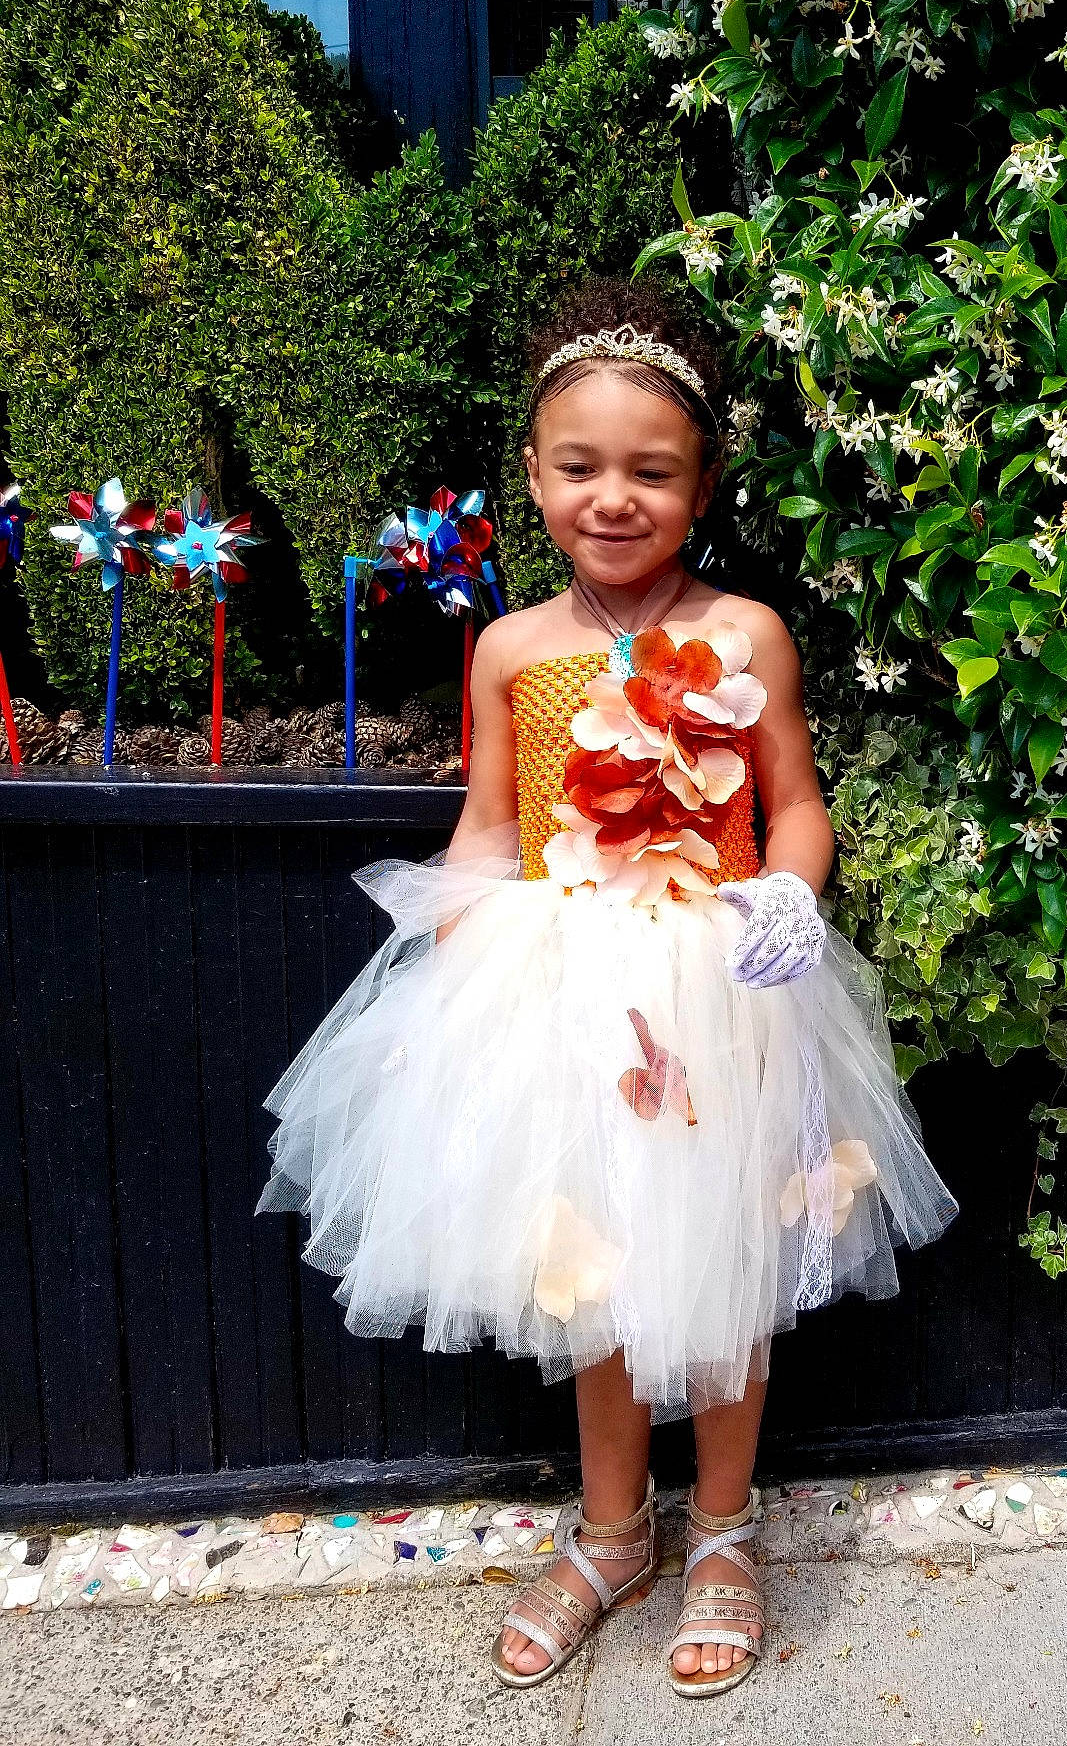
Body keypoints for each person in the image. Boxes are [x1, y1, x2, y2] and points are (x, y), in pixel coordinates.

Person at [256, 276, 957, 1700]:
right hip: (566, 999)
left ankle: (724, 1532)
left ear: (703, 482)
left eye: (652, 471)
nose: (613, 499)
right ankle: (613, 1529)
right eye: (580, 467)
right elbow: (490, 829)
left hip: (723, 991)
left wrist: (788, 892)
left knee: (727, 1260)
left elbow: (793, 804)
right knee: (590, 1262)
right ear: (533, 476)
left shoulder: (748, 632)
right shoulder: (513, 649)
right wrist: (460, 954)